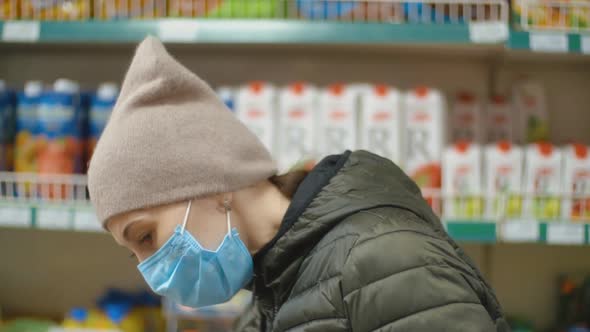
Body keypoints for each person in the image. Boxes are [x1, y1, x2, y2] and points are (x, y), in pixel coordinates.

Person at [88, 36, 509, 332]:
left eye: (145, 236)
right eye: (134, 255)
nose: (153, 276)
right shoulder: (272, 288)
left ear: (213, 183)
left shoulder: (389, 263)